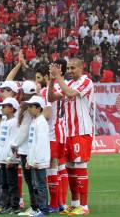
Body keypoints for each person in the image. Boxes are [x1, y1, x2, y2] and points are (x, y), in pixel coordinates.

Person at [50, 58, 94, 216]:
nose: (69, 70)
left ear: (81, 68)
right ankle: (74, 203)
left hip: (81, 131)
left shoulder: (86, 81)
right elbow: (52, 98)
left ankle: (84, 206)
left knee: (80, 166)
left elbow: (69, 94)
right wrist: (51, 81)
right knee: (69, 167)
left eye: (73, 68)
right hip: (67, 132)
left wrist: (59, 77)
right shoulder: (68, 83)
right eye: (68, 68)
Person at [41, 59, 69, 212]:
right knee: (59, 167)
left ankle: (55, 203)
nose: (50, 69)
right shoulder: (60, 85)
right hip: (59, 130)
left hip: (54, 131)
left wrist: (52, 80)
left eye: (53, 67)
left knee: (53, 166)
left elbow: (51, 98)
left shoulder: (59, 86)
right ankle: (60, 202)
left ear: (60, 70)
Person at [11, 80, 39, 216]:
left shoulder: (28, 109)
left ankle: (36, 207)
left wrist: (14, 144)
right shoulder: (29, 107)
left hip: (26, 149)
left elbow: (24, 129)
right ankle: (35, 206)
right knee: (31, 180)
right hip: (26, 149)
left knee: (31, 180)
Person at [23, 95, 52, 217]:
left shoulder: (41, 122)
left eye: (31, 106)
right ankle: (40, 209)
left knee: (40, 185)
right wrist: (29, 159)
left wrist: (35, 160)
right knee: (36, 185)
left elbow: (40, 144)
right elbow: (31, 143)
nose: (29, 109)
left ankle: (44, 210)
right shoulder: (35, 121)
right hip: (34, 160)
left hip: (39, 160)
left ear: (39, 108)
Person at [0, 97, 21, 214]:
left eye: (4, 106)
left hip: (10, 159)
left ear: (11, 108)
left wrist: (12, 158)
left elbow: (14, 141)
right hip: (2, 158)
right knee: (3, 183)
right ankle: (5, 205)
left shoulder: (15, 122)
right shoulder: (4, 121)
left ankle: (14, 206)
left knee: (12, 184)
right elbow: (1, 141)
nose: (2, 108)